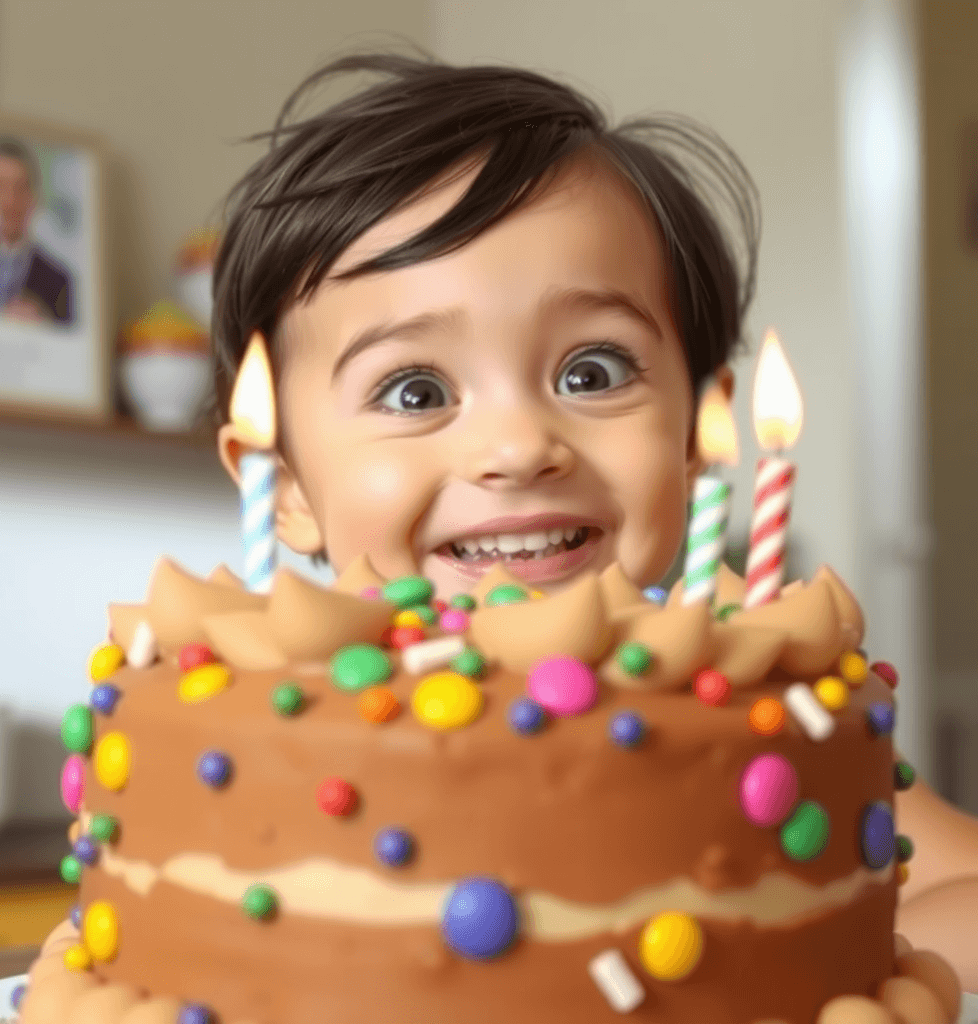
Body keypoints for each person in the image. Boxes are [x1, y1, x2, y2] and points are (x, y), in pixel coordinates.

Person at [212, 51, 978, 990]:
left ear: (700, 438)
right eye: (414, 389)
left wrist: (804, 952)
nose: (520, 445)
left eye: (593, 373)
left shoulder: (756, 687)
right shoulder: (248, 721)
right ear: (282, 485)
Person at [0, 134, 74, 324]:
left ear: (34, 197)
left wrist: (43, 326)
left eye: (20, 187)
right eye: (0, 187)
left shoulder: (58, 281)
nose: (10, 201)